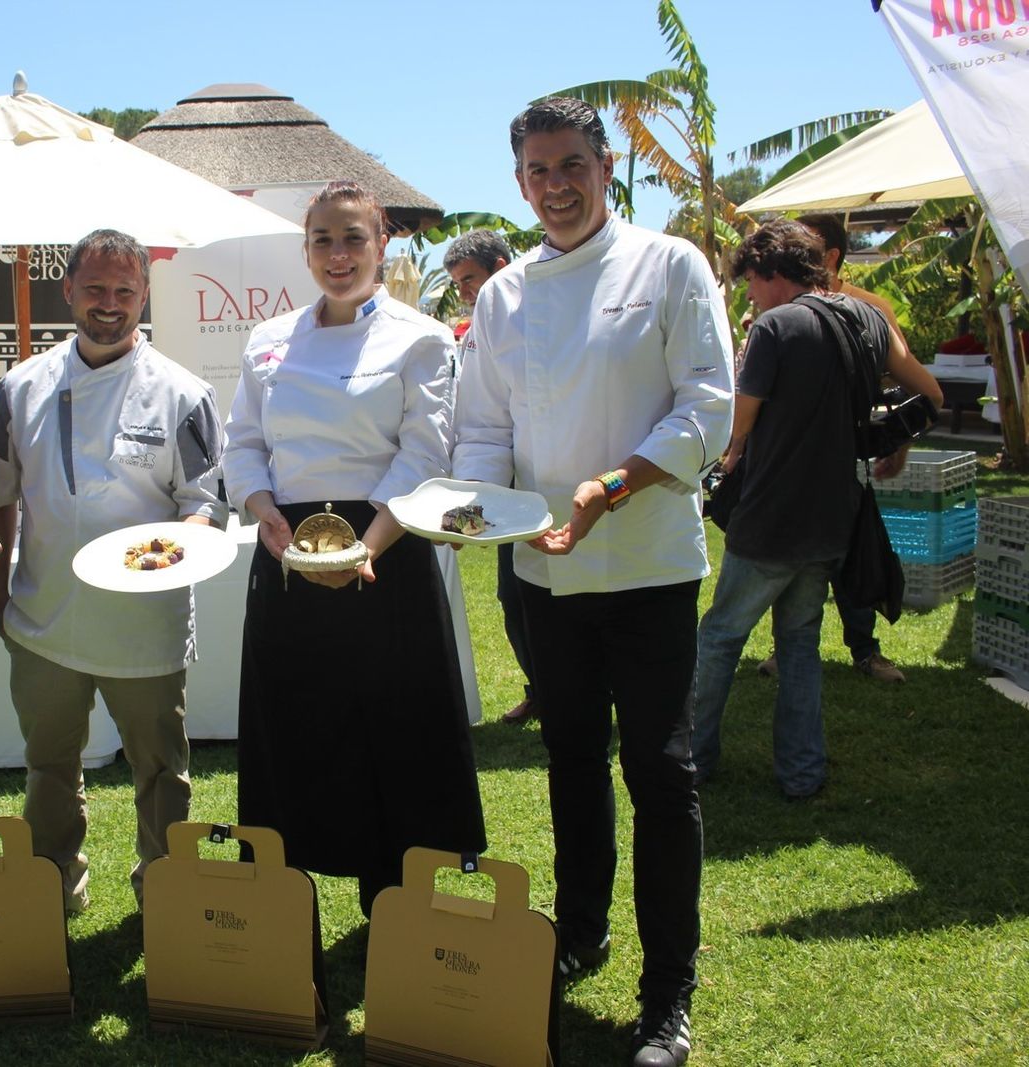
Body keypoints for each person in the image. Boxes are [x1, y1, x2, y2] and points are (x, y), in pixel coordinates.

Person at [452, 98, 733, 1067]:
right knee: (570, 756)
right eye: (535, 171)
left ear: (606, 166)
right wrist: (475, 507)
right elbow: (485, 427)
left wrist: (611, 485)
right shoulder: (503, 295)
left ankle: (668, 995)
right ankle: (578, 930)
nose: (555, 186)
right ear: (518, 181)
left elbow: (707, 405)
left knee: (658, 772)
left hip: (647, 563)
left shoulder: (668, 265)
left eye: (570, 164)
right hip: (541, 566)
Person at [223, 180, 485, 919]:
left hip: (384, 552)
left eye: (353, 239)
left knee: (394, 734)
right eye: (323, 241)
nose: (338, 255)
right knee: (293, 727)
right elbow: (242, 443)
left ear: (382, 244)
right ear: (306, 249)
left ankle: (394, 906)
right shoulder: (268, 339)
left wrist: (364, 547)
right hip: (284, 556)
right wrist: (267, 516)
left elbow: (424, 452)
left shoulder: (420, 336)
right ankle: (284, 898)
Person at [0, 229, 226, 915]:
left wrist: (175, 550)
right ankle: (54, 884)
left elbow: (204, 500)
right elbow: (3, 495)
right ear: (67, 290)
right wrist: (2, 597)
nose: (109, 303)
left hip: (145, 626)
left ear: (145, 295)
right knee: (50, 769)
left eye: (125, 290)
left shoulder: (182, 392)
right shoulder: (21, 387)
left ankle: (165, 892)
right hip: (45, 620)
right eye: (95, 288)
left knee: (161, 772)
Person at [690, 220, 896, 801]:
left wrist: (721, 460)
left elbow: (740, 421)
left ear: (772, 272)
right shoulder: (863, 319)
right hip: (834, 514)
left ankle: (691, 760)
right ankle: (803, 773)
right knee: (801, 643)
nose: (750, 293)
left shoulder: (777, 326)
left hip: (774, 515)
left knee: (721, 636)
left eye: (751, 281)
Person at [750, 213, 943, 685]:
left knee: (854, 559)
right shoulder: (775, 311)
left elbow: (919, 391)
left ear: (830, 256)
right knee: (793, 567)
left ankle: (866, 650)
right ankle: (788, 649)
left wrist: (892, 443)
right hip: (788, 467)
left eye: (803, 247)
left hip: (842, 465)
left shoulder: (869, 310)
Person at [444, 230, 538, 726]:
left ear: (501, 266)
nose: (464, 293)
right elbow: (482, 424)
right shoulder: (480, 323)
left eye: (469, 280)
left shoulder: (535, 309)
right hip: (501, 489)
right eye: (458, 284)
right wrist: (467, 505)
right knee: (514, 595)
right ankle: (540, 687)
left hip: (553, 488)